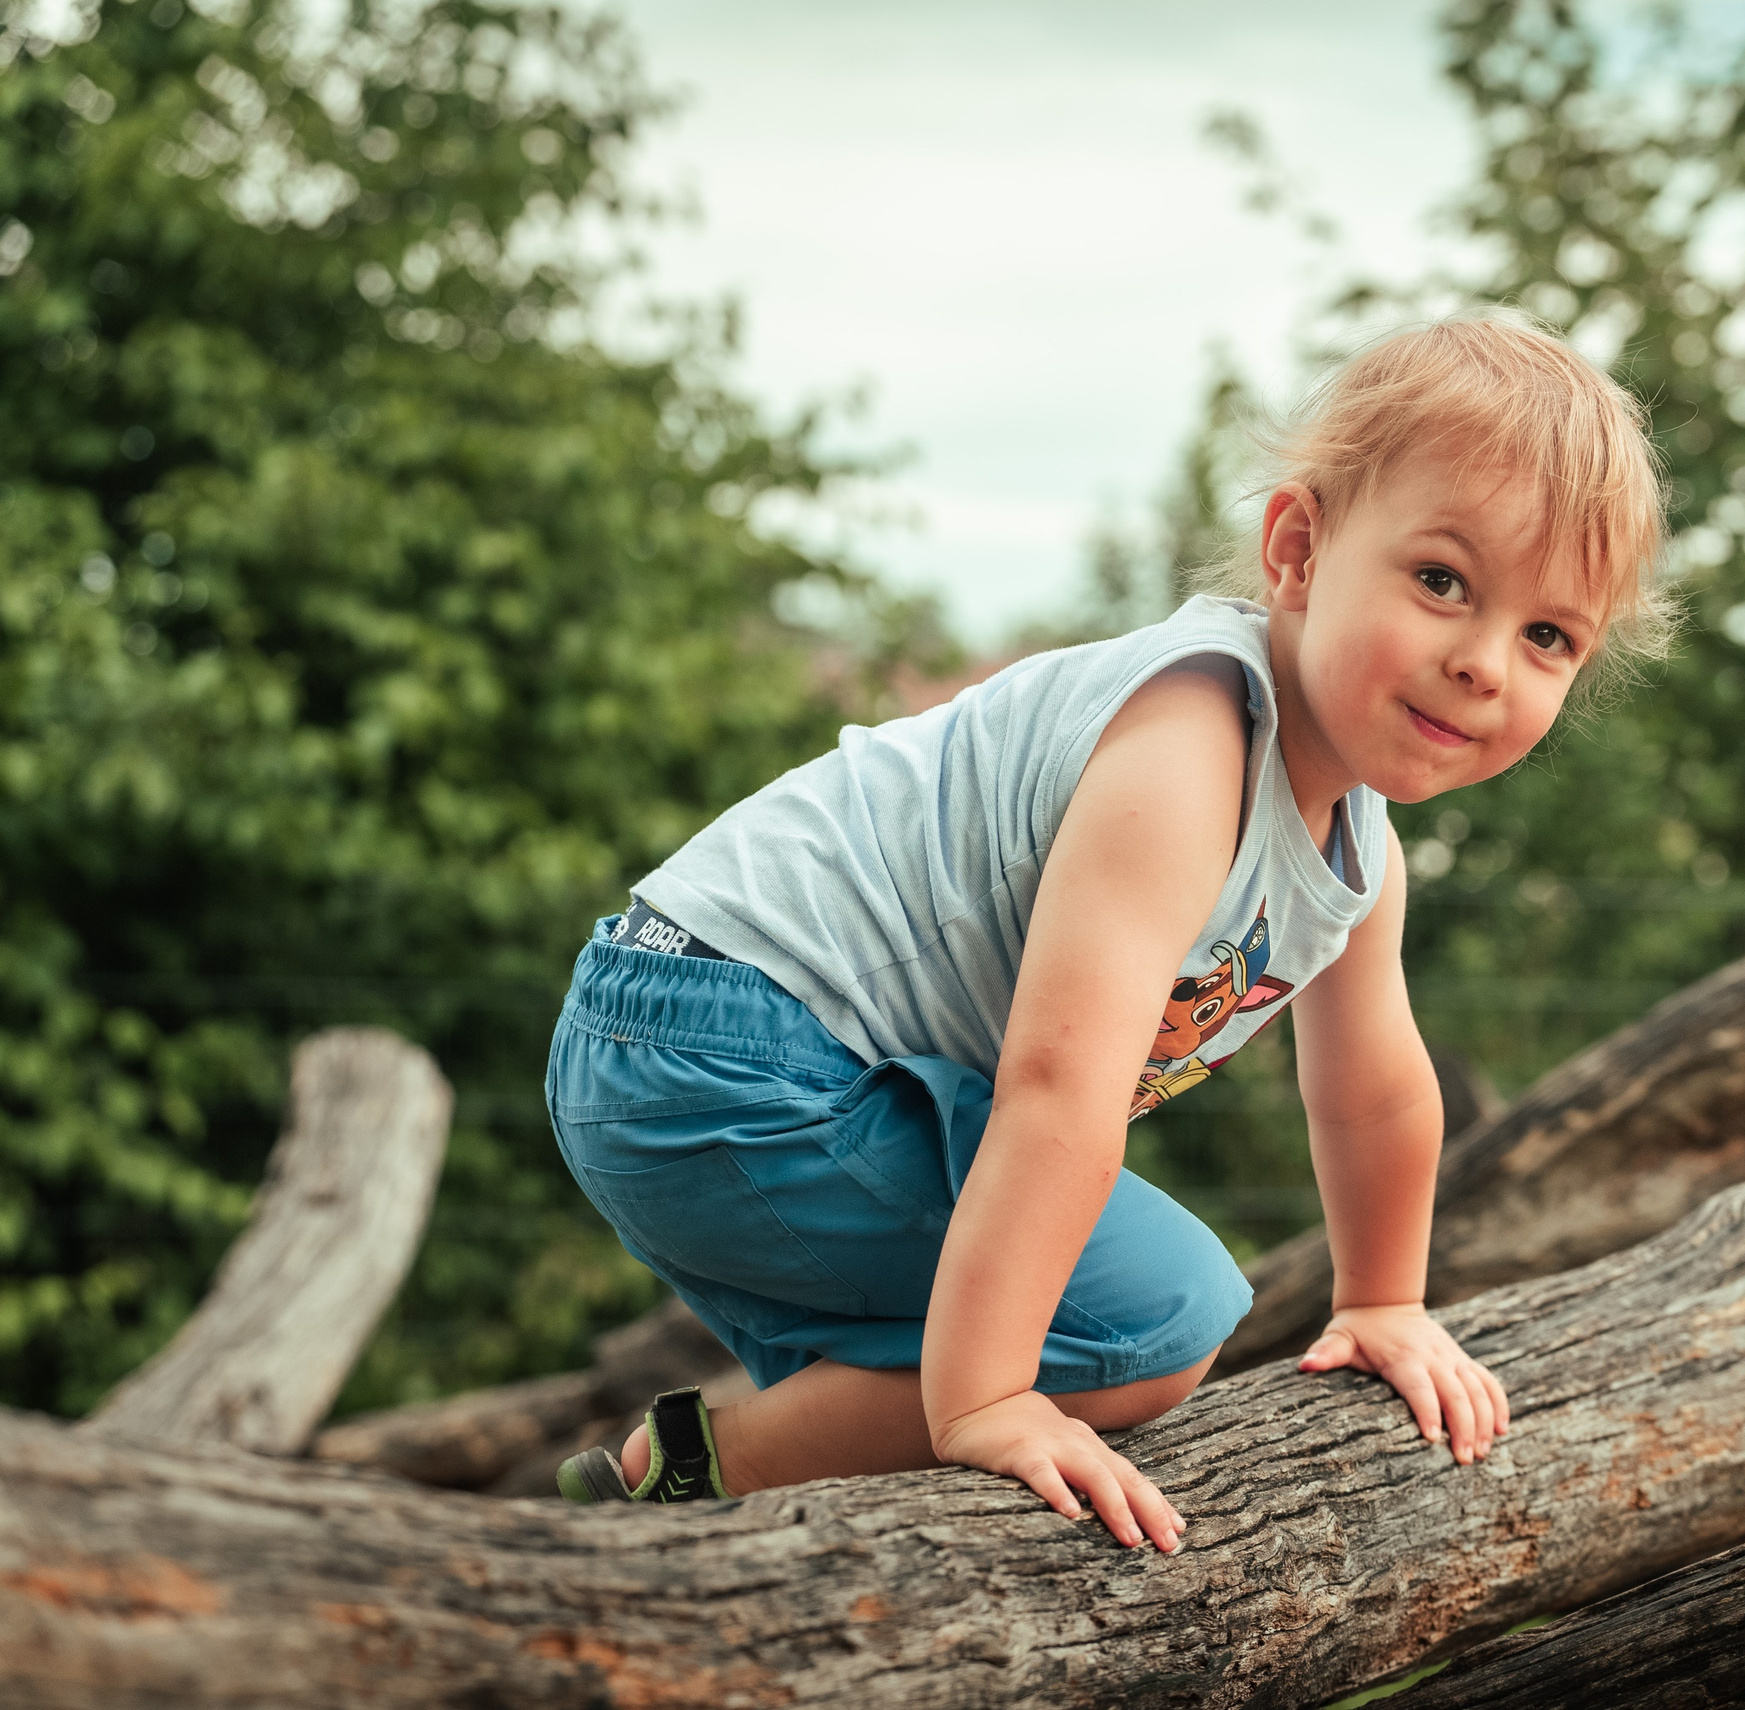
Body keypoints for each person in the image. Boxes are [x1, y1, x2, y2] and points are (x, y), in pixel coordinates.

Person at [545, 314, 1672, 1550]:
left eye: (1548, 636)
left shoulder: (1356, 850)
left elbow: (1376, 1096)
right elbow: (1056, 1090)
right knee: (1154, 1319)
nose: (1483, 662)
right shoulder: (1192, 747)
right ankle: (706, 1477)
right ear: (1297, 549)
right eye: (1442, 582)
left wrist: (1386, 1302)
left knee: (1088, 1327)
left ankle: (695, 1499)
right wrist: (987, 1399)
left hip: (754, 1060)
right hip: (723, 1038)